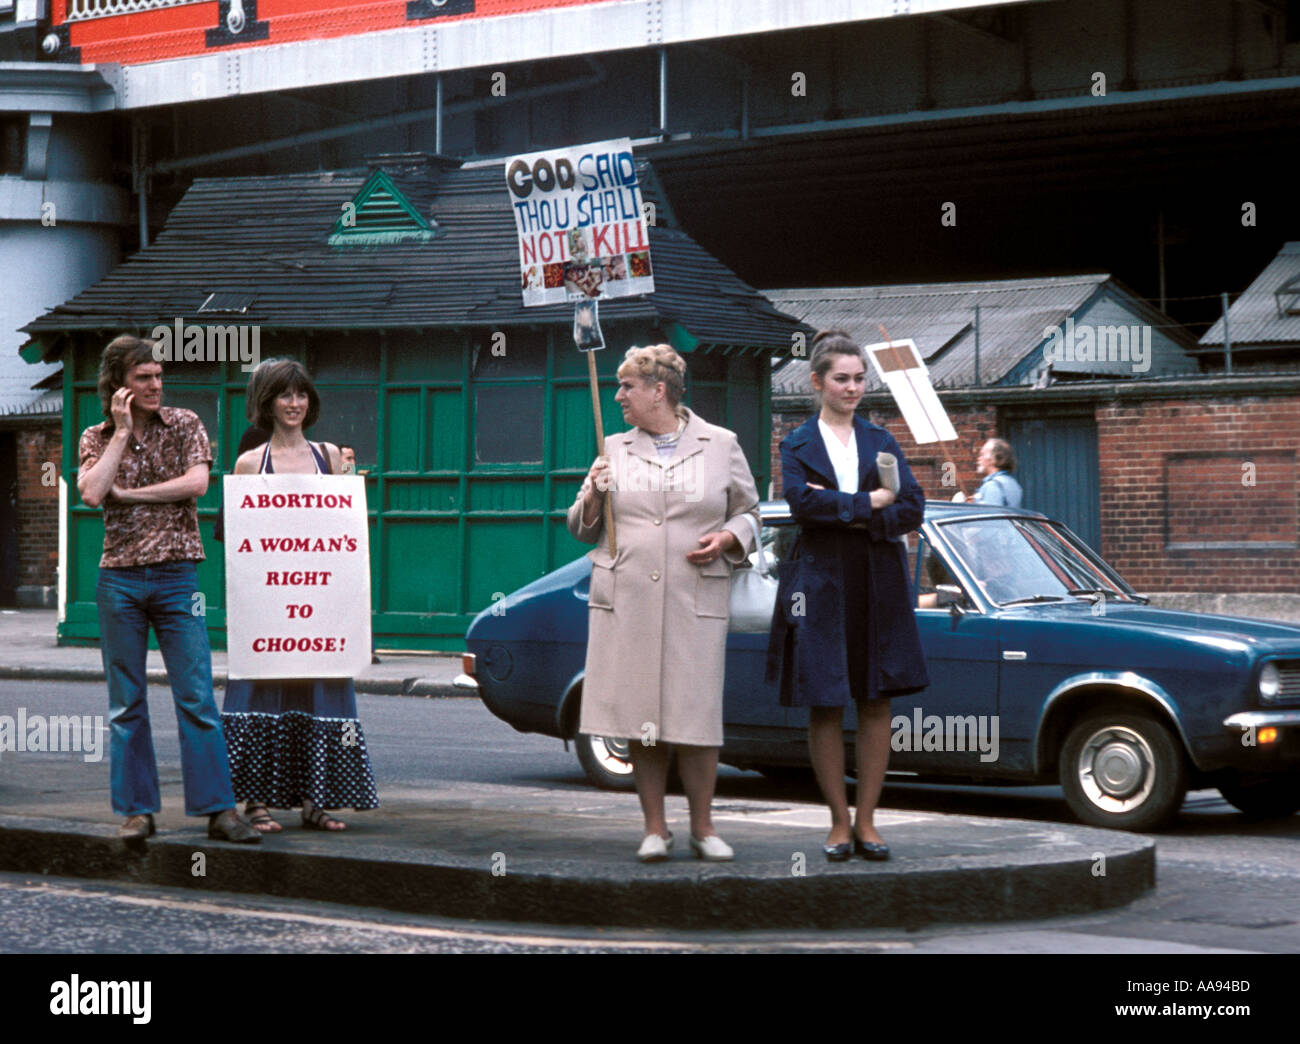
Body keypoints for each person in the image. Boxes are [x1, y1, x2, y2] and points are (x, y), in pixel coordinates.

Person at [567, 344, 759, 863]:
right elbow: (583, 529)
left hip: (693, 599)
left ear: (660, 392)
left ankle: (703, 827)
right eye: (617, 384)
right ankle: (655, 828)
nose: (618, 394)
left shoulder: (721, 445)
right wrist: (593, 494)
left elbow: (751, 511)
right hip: (629, 600)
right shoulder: (614, 447)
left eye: (628, 385)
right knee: (642, 717)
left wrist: (728, 539)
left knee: (695, 719)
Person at [76, 334, 259, 844]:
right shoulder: (95, 437)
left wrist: (131, 494)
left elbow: (197, 484)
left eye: (158, 376)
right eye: (143, 378)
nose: (156, 385)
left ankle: (219, 810)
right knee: (125, 701)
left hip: (179, 576)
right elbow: (91, 491)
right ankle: (137, 812)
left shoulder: (185, 425)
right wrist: (119, 433)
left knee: (196, 694)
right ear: (119, 386)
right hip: (120, 579)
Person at [767, 330, 929, 862]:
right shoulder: (795, 444)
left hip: (878, 578)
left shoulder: (882, 440)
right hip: (819, 582)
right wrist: (869, 505)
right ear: (817, 382)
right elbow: (799, 507)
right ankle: (838, 821)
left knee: (877, 696)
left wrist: (843, 507)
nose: (853, 387)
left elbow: (911, 507)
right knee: (827, 698)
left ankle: (868, 821)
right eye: (842, 378)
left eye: (860, 379)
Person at [220, 359, 379, 832]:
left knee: (319, 690)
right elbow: (235, 535)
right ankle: (255, 804)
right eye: (284, 395)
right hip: (269, 601)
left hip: (319, 601)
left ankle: (316, 800)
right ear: (265, 402)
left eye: (301, 394)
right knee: (261, 689)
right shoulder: (249, 463)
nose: (294, 404)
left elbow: (346, 534)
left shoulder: (329, 456)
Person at [972, 438, 1023, 507]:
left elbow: (990, 516)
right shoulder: (1013, 483)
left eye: (982, 454)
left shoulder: (992, 485)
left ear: (994, 459)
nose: (979, 458)